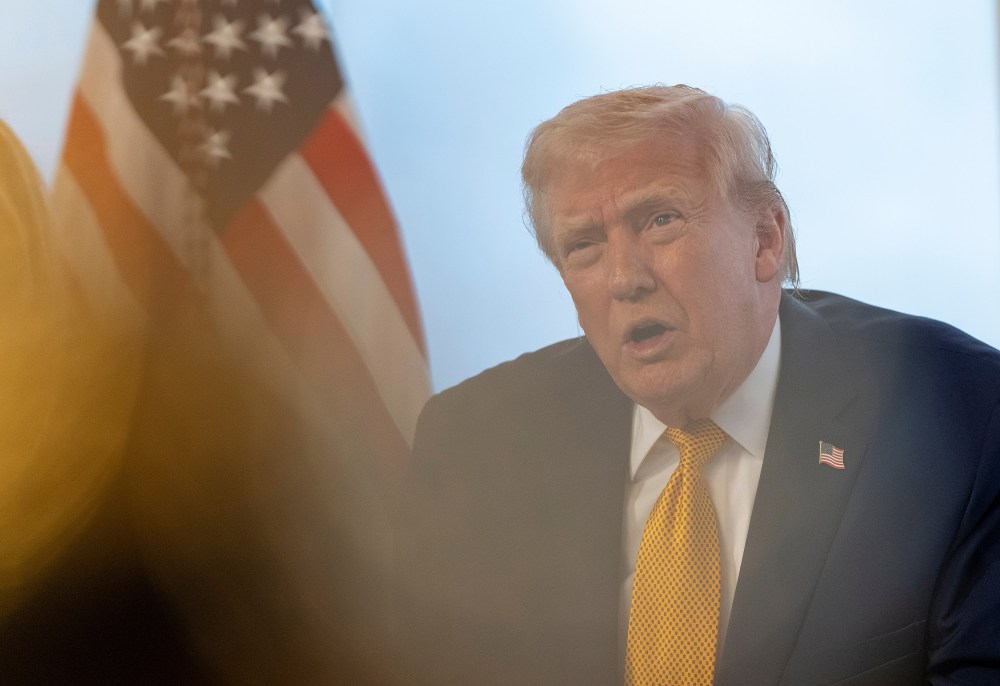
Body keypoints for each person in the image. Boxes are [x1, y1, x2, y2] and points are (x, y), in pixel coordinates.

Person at [394, 85, 1000, 685]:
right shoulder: (476, 441)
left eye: (660, 221)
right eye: (585, 245)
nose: (624, 280)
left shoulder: (958, 413)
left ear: (765, 240)